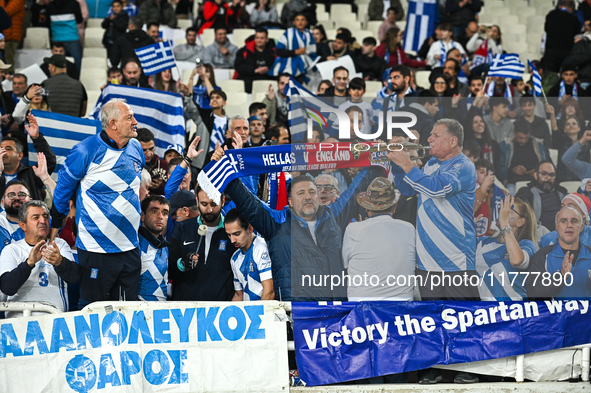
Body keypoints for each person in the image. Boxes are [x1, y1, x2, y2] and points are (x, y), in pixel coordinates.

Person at [50, 98, 144, 307]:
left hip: (130, 247)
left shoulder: (136, 148)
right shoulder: (86, 150)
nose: (135, 121)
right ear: (113, 124)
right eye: (129, 118)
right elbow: (63, 192)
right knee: (92, 311)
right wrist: (54, 229)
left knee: (129, 310)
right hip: (96, 249)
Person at [387, 118, 478, 299]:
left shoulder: (464, 166)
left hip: (456, 262)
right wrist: (397, 165)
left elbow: (437, 188)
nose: (429, 139)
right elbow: (407, 189)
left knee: (462, 321)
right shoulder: (431, 164)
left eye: (435, 135)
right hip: (427, 263)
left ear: (453, 141)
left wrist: (406, 163)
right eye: (430, 135)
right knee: (434, 321)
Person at [0, 200, 78, 317]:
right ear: (23, 225)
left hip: (56, 320)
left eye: (45, 217)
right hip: (18, 323)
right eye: (36, 217)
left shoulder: (59, 245)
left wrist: (60, 262)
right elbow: (7, 287)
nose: (43, 221)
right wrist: (29, 264)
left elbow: (74, 277)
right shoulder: (12, 249)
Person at [342, 176, 415, 301]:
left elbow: (345, 263)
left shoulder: (353, 230)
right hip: (401, 308)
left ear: (366, 207)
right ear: (394, 206)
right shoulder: (409, 229)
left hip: (363, 307)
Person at [168, 183, 235, 301]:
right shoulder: (182, 228)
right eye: (204, 204)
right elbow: (169, 270)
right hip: (184, 310)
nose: (209, 209)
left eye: (214, 204)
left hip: (220, 311)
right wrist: (182, 264)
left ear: (223, 201)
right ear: (197, 201)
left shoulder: (233, 232)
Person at [475, 195, 537, 301]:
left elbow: (517, 261)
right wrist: (466, 223)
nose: (502, 212)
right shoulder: (482, 242)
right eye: (502, 209)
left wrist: (505, 224)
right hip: (483, 312)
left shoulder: (526, 245)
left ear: (520, 222)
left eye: (509, 210)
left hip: (512, 312)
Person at [528, 206, 591, 299]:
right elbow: (533, 294)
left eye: (574, 221)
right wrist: (560, 276)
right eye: (563, 221)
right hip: (556, 314)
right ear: (557, 227)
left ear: (581, 227)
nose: (569, 225)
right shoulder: (542, 256)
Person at [0, 115, 56, 201]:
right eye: (1, 149)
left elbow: (49, 161)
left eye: (8, 149)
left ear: (20, 155)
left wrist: (37, 138)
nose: (2, 152)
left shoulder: (32, 174)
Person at [225, 208, 274, 301]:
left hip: (262, 313)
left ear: (250, 228)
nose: (232, 240)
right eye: (229, 235)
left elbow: (269, 292)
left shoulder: (261, 249)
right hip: (249, 313)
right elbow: (239, 295)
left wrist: (258, 315)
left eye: (237, 234)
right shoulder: (234, 258)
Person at [516, 161, 566, 232]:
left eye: (551, 175)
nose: (548, 178)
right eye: (544, 174)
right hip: (538, 235)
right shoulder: (526, 193)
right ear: (536, 175)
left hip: (562, 233)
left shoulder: (562, 193)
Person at [138, 195, 169, 301]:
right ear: (142, 216)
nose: (160, 216)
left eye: (165, 213)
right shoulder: (134, 245)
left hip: (161, 313)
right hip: (137, 313)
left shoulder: (164, 247)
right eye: (154, 211)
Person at [499, 122, 549, 187]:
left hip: (535, 182)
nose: (523, 141)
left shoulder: (539, 145)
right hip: (513, 182)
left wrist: (537, 171)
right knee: (510, 194)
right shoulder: (505, 146)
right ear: (514, 133)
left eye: (526, 138)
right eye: (520, 138)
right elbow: (499, 171)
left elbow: (548, 166)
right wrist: (513, 170)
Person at [270, 13, 317, 81]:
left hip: (303, 67)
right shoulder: (288, 33)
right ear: (294, 22)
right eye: (297, 20)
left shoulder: (308, 34)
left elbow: (313, 51)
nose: (300, 22)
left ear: (306, 22)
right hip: (287, 67)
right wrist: (295, 52)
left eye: (302, 20)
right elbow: (278, 51)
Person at [543, 0, 581, 73]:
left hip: (551, 51)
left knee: (549, 77)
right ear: (571, 8)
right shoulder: (574, 19)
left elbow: (546, 29)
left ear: (559, 6)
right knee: (565, 75)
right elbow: (576, 34)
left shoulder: (551, 15)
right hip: (566, 52)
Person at [235, 28, 276, 94]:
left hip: (267, 77)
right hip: (249, 78)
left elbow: (279, 65)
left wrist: (268, 69)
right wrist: (254, 70)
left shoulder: (274, 51)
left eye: (262, 38)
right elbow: (238, 66)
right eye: (257, 38)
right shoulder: (243, 51)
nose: (259, 40)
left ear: (267, 39)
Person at [47, 0, 82, 74]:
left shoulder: (50, 5)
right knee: (77, 64)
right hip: (72, 37)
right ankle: (76, 83)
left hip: (56, 38)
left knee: (57, 64)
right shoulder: (74, 4)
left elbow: (47, 22)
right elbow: (79, 20)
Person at [137, 128, 168, 196]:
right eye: (144, 150)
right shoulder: (129, 166)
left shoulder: (164, 166)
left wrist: (161, 186)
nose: (148, 154)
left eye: (151, 149)